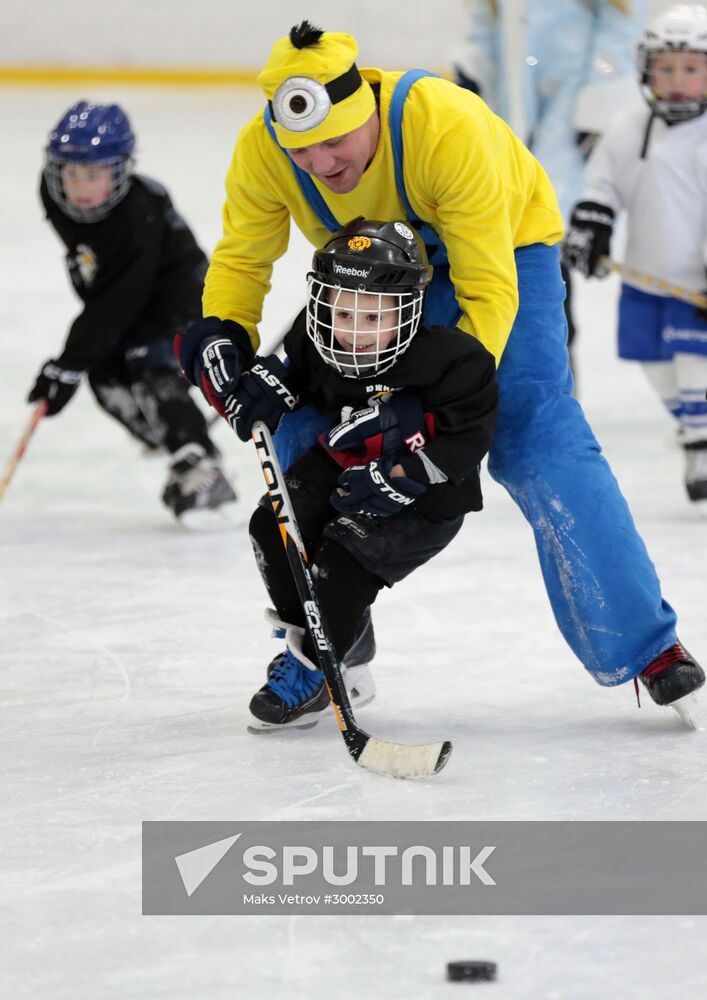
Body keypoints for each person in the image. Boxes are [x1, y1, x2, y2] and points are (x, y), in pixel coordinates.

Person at [176, 21, 704, 715]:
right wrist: (224, 337)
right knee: (295, 424)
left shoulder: (447, 126)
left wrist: (432, 405)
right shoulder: (266, 148)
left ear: (366, 107)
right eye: (302, 150)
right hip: (369, 284)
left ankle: (644, 644)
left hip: (503, 259)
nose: (321, 164)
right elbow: (244, 260)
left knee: (533, 437)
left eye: (335, 141)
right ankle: (329, 643)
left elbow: (485, 291)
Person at [223, 218, 498, 728]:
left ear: (409, 310)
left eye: (374, 318)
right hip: (344, 466)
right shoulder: (317, 341)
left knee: (344, 557)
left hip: (426, 500)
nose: (353, 331)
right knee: (272, 527)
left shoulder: (454, 360)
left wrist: (404, 474)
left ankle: (314, 670)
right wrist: (264, 387)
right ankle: (323, 646)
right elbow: (290, 374)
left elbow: (470, 437)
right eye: (343, 313)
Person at [29, 100, 238, 527]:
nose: (80, 187)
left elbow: (118, 299)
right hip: (125, 290)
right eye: (70, 173)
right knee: (104, 375)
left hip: (177, 295)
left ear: (121, 170)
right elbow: (100, 271)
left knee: (150, 363)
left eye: (93, 175)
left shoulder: (137, 213)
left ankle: (201, 463)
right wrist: (78, 364)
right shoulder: (52, 194)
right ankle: (172, 436)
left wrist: (67, 363)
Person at [452, 0, 646, 373]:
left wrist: (598, 100)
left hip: (570, 112)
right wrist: (473, 71)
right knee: (496, 243)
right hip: (511, 111)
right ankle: (506, 373)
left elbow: (620, 28)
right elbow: (486, 27)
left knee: (547, 238)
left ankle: (555, 377)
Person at [564, 4, 707, 505]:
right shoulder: (630, 125)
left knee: (695, 367)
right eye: (665, 68)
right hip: (645, 279)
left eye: (691, 68)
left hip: (697, 285)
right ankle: (696, 437)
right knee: (658, 369)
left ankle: (699, 452)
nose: (677, 80)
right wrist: (592, 223)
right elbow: (603, 185)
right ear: (646, 68)